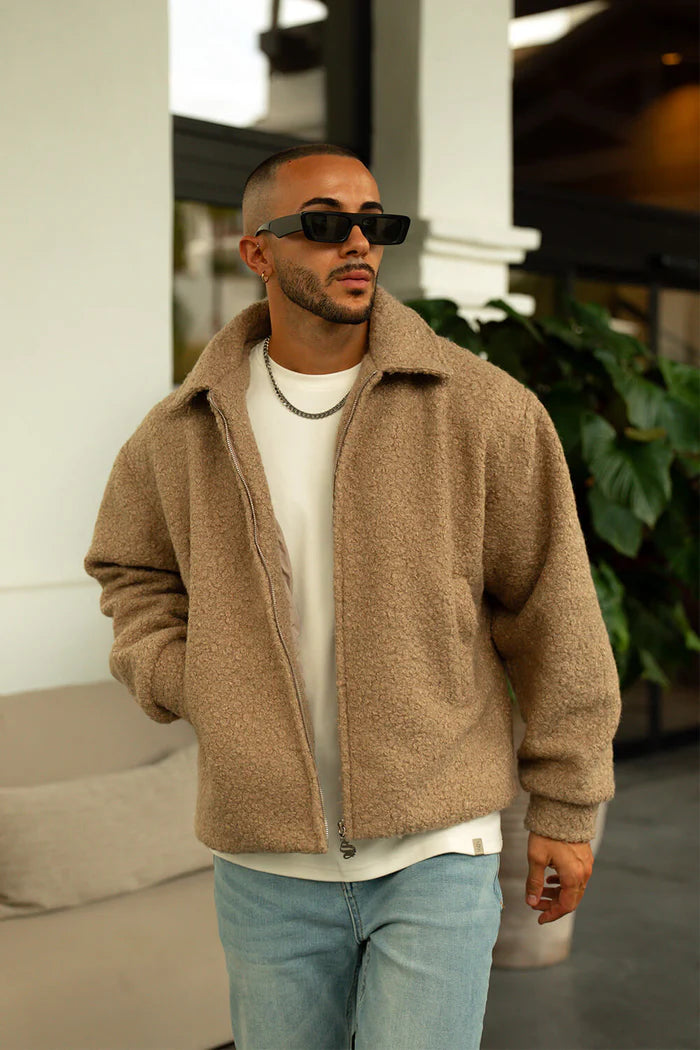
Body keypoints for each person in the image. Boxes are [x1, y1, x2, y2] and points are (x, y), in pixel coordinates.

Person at [84, 143, 622, 1050]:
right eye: (325, 224)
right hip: (264, 863)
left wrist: (568, 807)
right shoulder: (182, 429)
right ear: (257, 251)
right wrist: (186, 676)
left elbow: (554, 612)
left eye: (374, 223)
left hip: (438, 848)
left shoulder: (482, 408)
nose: (358, 244)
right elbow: (129, 570)